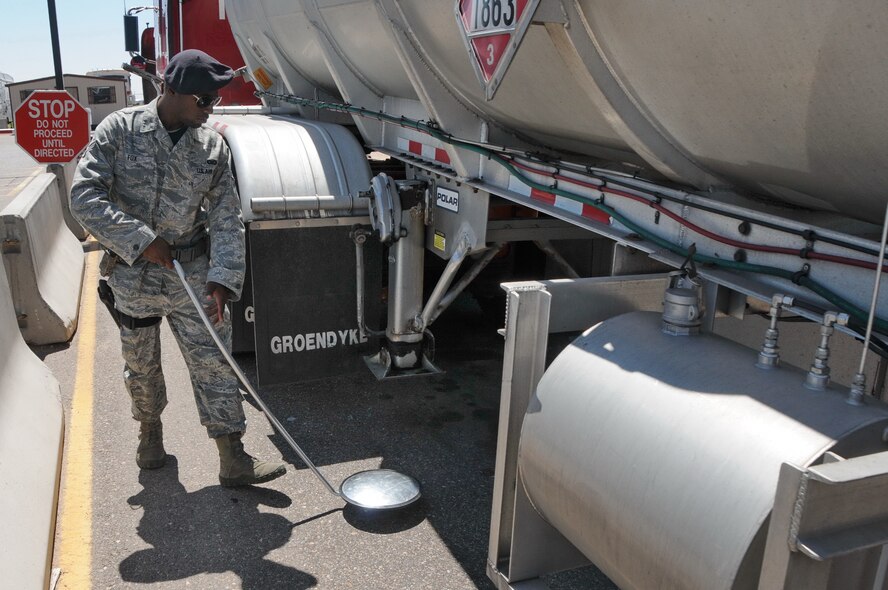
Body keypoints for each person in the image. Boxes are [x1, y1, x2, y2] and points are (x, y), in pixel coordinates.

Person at [70, 49, 286, 487]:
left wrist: (223, 281)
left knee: (216, 364)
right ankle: (149, 433)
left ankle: (233, 457)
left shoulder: (211, 146)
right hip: (135, 277)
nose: (210, 110)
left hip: (194, 276)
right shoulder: (121, 130)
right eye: (202, 100)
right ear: (169, 89)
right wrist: (143, 240)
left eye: (215, 102)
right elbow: (84, 197)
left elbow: (227, 217)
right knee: (142, 365)